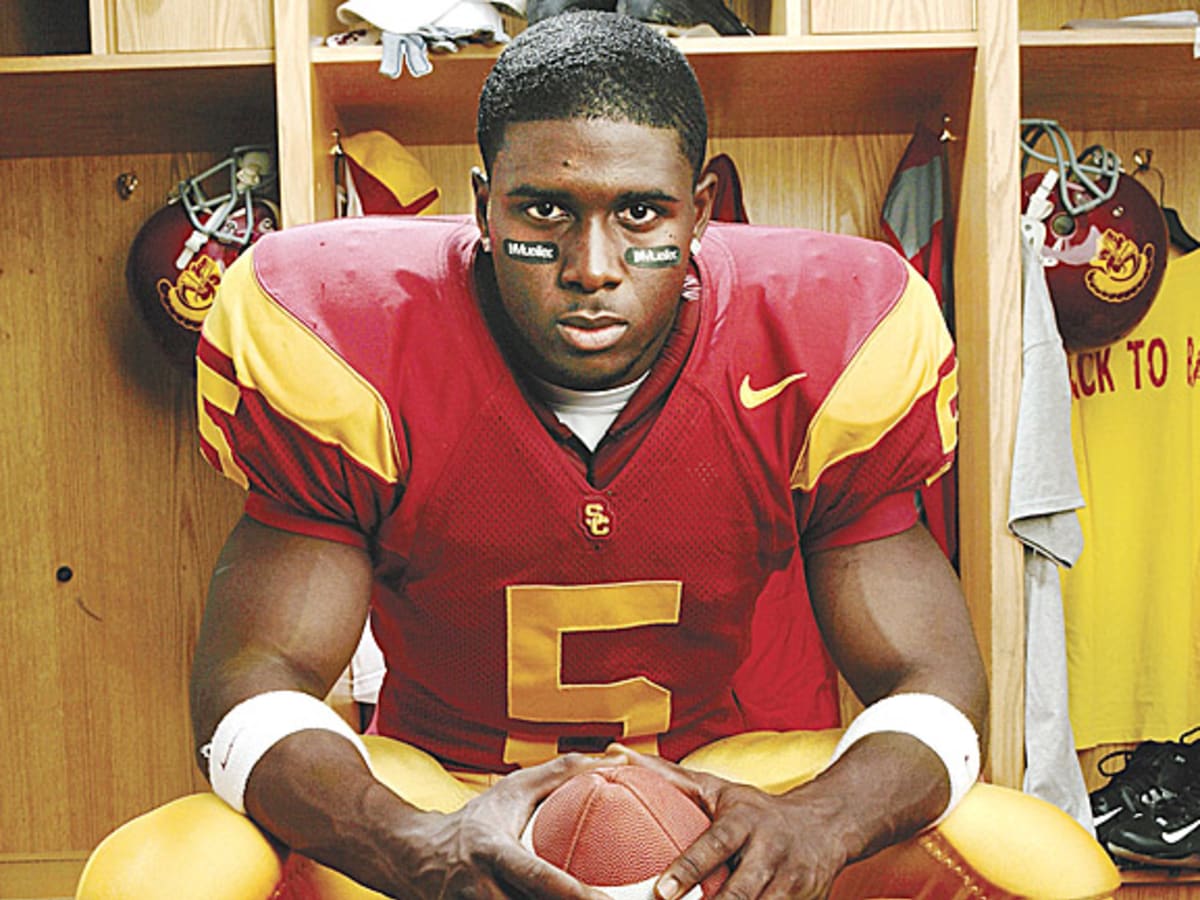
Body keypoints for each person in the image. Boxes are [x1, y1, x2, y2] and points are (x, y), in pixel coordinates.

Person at [77, 11, 1118, 900]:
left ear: (703, 206)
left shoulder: (831, 333)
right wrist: (416, 845)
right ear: (483, 200)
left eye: (640, 214)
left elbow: (929, 674)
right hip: (445, 783)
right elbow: (257, 676)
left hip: (720, 780)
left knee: (1050, 864)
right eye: (544, 212)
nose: (592, 267)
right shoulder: (342, 331)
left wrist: (825, 824)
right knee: (165, 871)